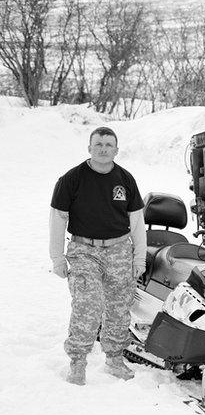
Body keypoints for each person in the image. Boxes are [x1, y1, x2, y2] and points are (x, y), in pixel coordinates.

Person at [49, 127, 147, 385]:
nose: (103, 149)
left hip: (119, 250)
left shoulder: (125, 180)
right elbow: (58, 220)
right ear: (89, 148)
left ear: (116, 149)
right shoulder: (71, 179)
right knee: (88, 304)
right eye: (99, 144)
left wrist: (139, 258)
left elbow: (137, 222)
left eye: (108, 144)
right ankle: (78, 362)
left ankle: (114, 359)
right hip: (84, 250)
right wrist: (57, 258)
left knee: (119, 306)